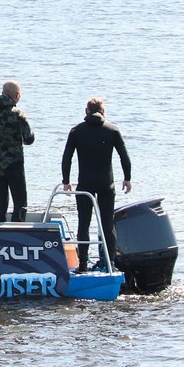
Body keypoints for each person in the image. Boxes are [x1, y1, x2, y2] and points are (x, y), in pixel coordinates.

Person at [61, 97, 133, 272]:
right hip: (106, 184)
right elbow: (124, 156)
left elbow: (67, 157)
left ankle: (83, 265)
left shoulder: (76, 131)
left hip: (85, 184)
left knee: (83, 223)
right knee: (107, 224)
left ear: (86, 111)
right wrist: (127, 178)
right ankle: (110, 264)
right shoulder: (112, 130)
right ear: (103, 112)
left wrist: (66, 181)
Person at [0, 81, 35, 222]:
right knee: (20, 202)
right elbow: (29, 139)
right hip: (15, 163)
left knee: (1, 203)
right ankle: (18, 230)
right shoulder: (18, 114)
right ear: (17, 95)